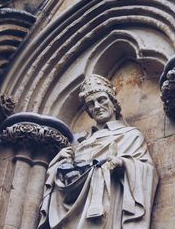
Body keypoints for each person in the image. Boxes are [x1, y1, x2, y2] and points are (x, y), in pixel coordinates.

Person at [38, 74, 158, 229]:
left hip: (108, 204)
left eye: (102, 99)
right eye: (91, 104)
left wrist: (122, 163)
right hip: (74, 211)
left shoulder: (130, 135)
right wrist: (59, 163)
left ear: (113, 103)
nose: (97, 106)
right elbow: (66, 183)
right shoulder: (81, 145)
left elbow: (147, 171)